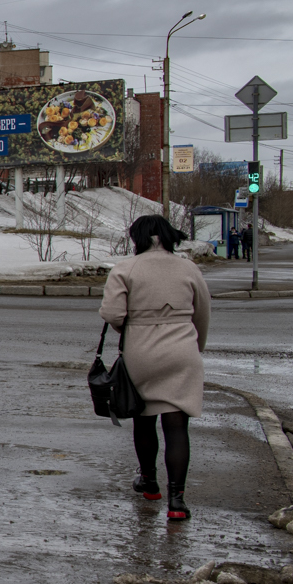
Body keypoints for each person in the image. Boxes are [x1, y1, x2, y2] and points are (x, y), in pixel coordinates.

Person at [99, 214, 209, 523]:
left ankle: (149, 481)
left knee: (144, 421)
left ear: (138, 238)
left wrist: (133, 329)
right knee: (176, 426)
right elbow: (202, 313)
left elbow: (112, 313)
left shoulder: (126, 269)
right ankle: (177, 501)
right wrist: (194, 347)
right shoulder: (189, 268)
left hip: (141, 352)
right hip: (182, 351)